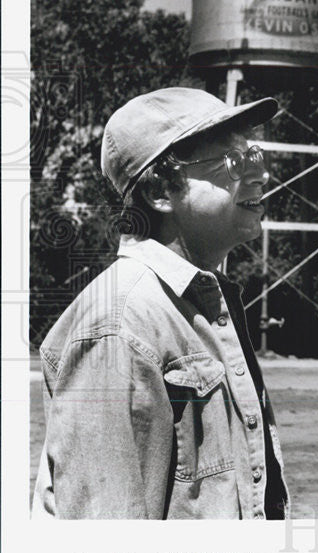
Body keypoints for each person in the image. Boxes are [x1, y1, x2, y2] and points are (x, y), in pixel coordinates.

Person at [33, 87, 288, 519]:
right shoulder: (121, 323)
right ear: (160, 191)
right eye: (233, 161)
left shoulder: (205, 303)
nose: (259, 174)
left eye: (254, 154)